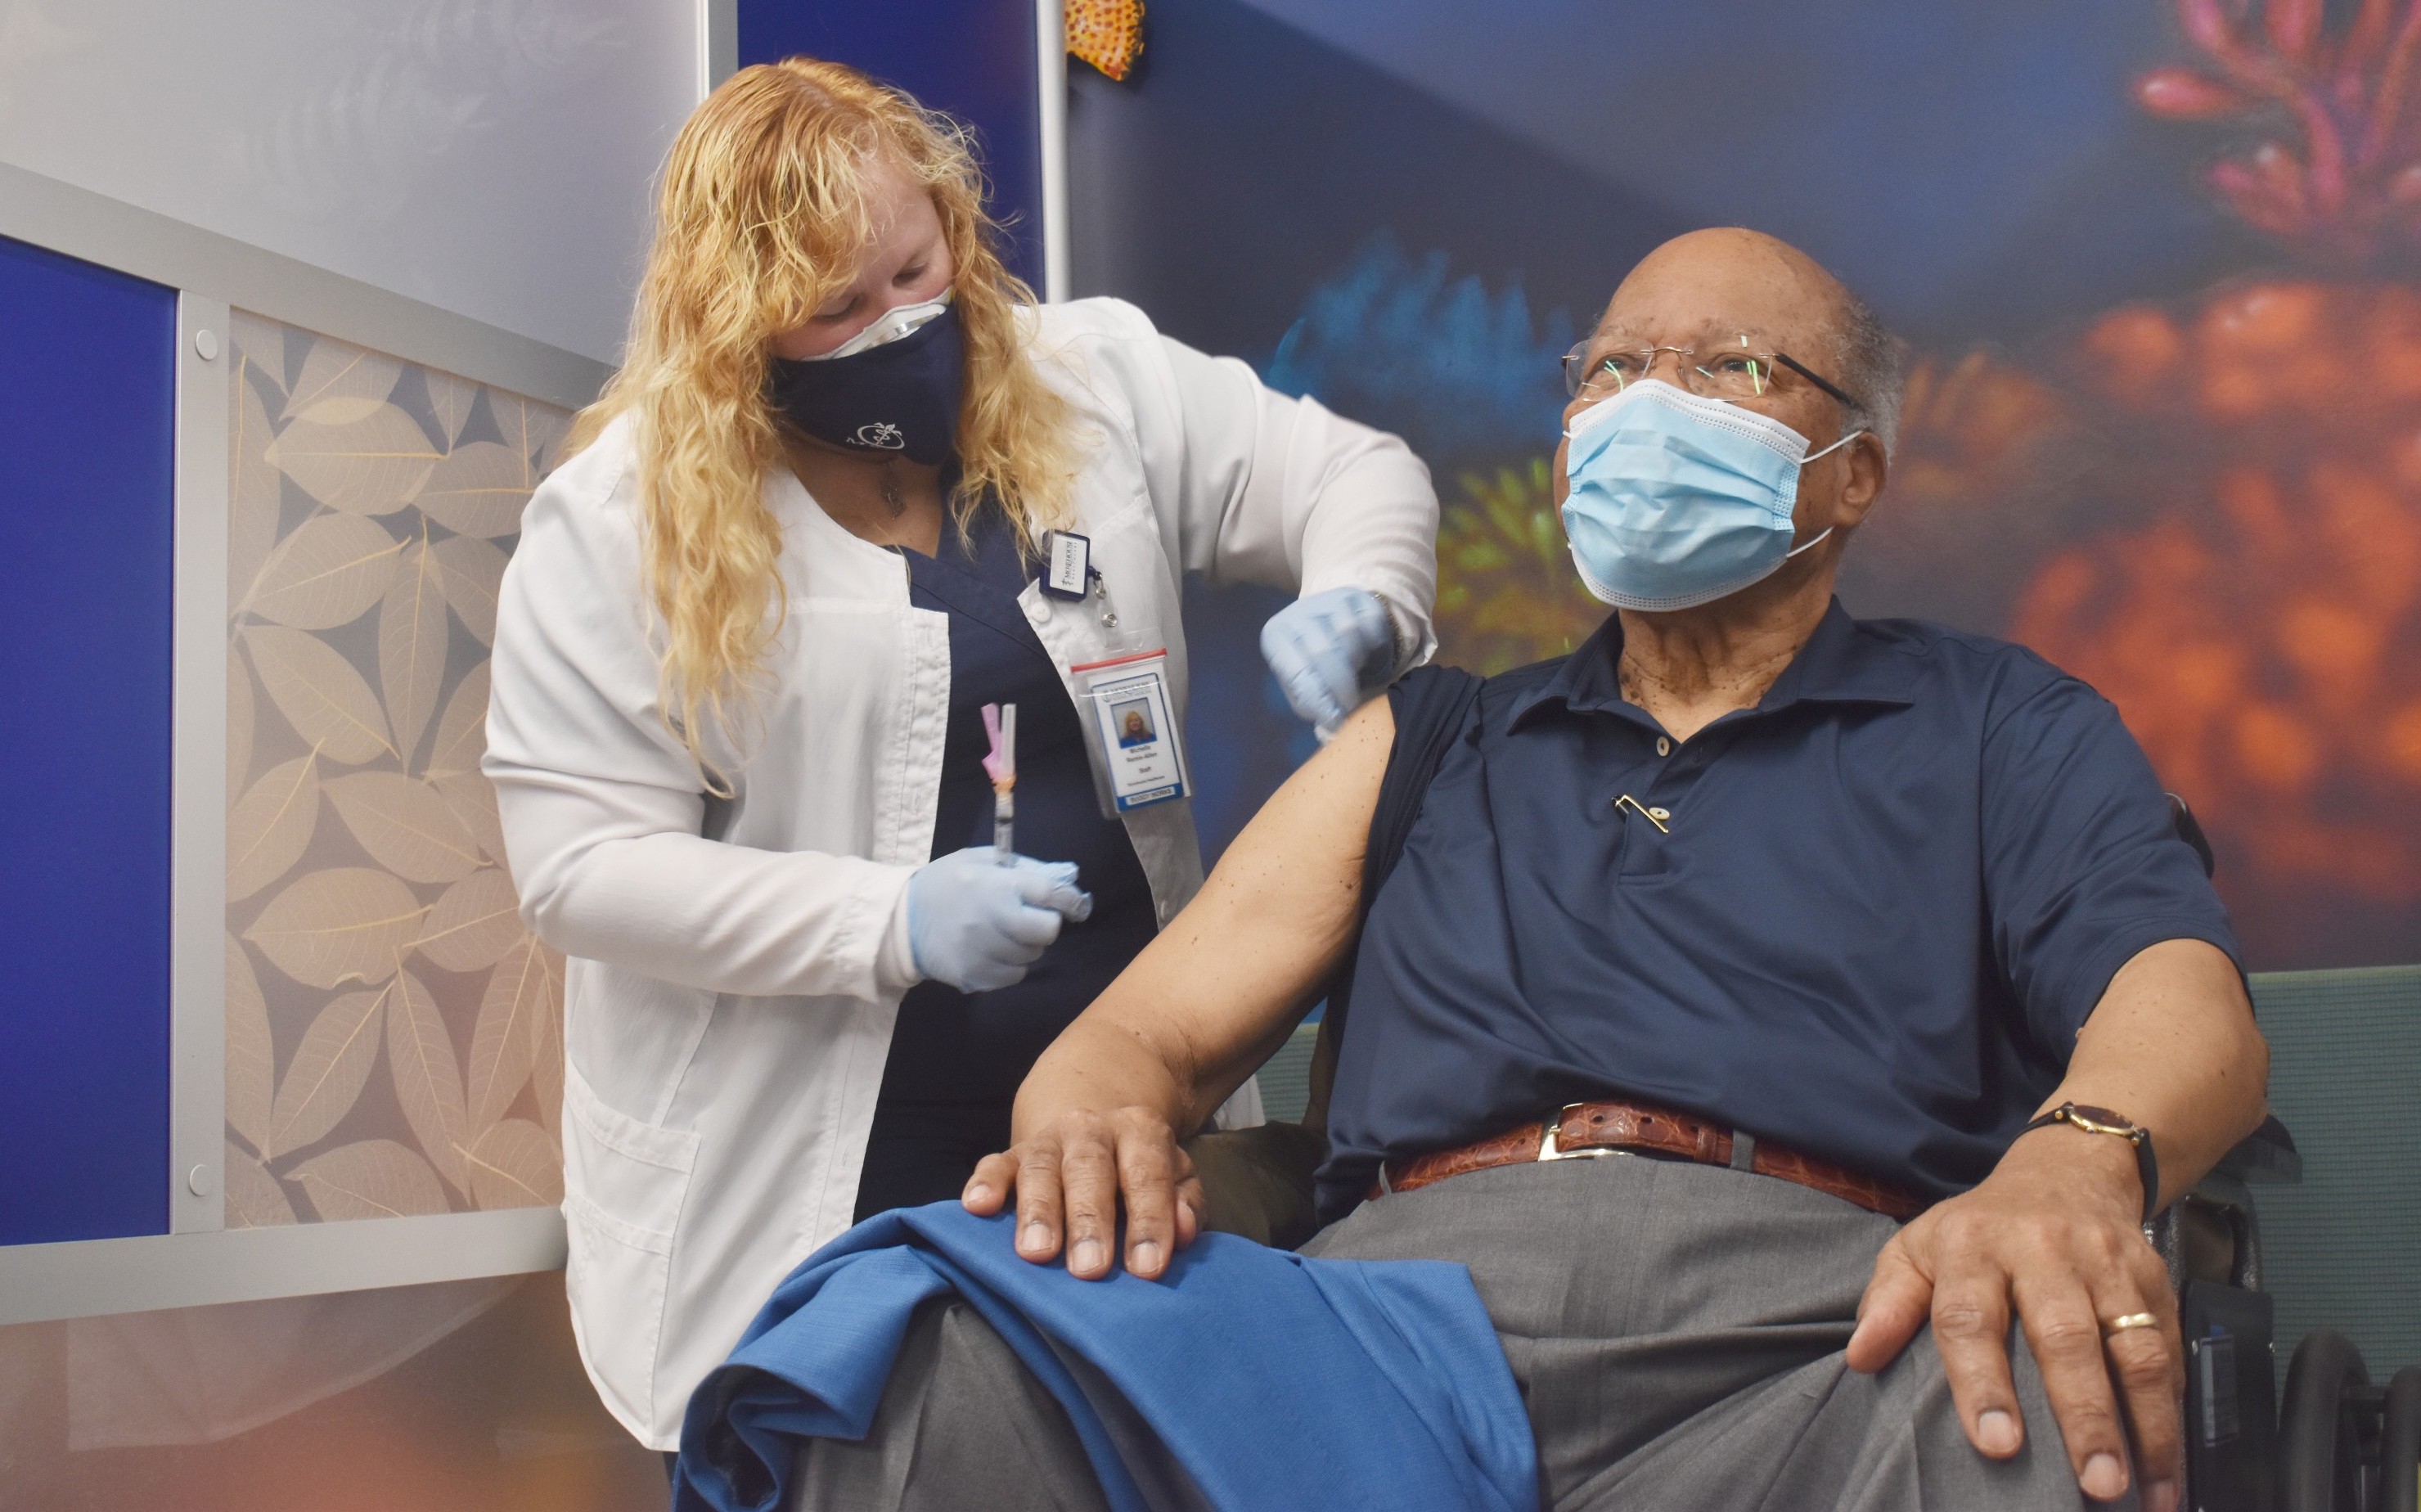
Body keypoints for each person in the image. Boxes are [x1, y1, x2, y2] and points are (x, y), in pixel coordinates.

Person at [767, 228, 2270, 1511]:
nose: (1644, 404)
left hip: (1826, 1336)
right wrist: (1089, 1102)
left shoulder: (2000, 724)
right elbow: (1148, 1034)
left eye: (1729, 367)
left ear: (1851, 473)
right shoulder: (1429, 738)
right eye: (1610, 370)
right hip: (1380, 1336)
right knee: (915, 1352)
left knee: (2046, 1420)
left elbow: (2180, 997)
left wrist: (2075, 1163)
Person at [483, 58, 1438, 1455]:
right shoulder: (622, 520)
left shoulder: (1083, 374)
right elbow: (580, 872)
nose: (900, 323)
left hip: (1119, 1112)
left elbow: (1353, 472)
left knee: (1135, 1448)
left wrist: (1365, 594)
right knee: (864, 1453)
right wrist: (889, 923)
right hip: (818, 1150)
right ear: (741, 325)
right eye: (837, 308)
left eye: (914, 268)